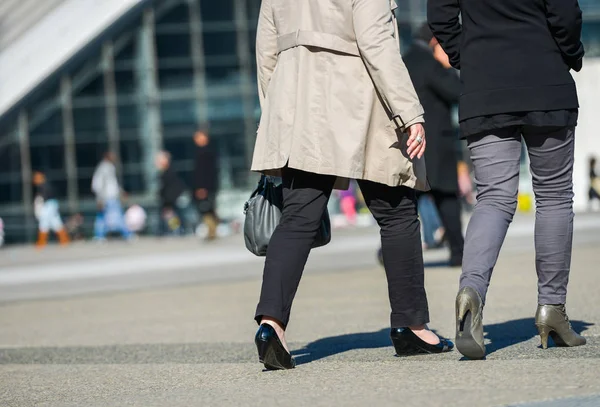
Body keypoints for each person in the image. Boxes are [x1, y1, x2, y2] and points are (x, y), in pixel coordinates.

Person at [251, 0, 453, 370]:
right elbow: (376, 43)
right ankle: (411, 325)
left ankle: (271, 325)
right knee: (397, 213)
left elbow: (266, 50)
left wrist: (277, 111)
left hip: (297, 103)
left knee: (297, 217)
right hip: (357, 102)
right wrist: (409, 112)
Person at [429, 0, 587, 359]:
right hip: (545, 78)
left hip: (485, 87)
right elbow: (565, 14)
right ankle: (552, 309)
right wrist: (570, 51)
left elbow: (439, 16)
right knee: (554, 196)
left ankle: (471, 291)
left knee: (494, 198)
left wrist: (469, 57)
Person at [403, 23, 464, 267]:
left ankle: (390, 253)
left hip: (407, 142)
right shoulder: (431, 63)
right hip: (436, 143)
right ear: (435, 42)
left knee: (405, 202)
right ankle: (458, 251)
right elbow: (457, 91)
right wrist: (448, 66)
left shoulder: (404, 60)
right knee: (447, 198)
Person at [91, 152, 132, 241]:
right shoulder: (104, 168)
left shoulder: (109, 167)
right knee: (117, 215)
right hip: (107, 197)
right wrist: (100, 198)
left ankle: (99, 235)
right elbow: (98, 184)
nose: (115, 158)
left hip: (111, 197)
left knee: (103, 216)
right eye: (113, 156)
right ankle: (127, 234)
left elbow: (113, 183)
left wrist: (121, 192)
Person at [156, 151, 192, 235]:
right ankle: (178, 230)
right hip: (172, 199)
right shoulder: (166, 172)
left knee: (176, 215)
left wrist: (166, 202)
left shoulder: (168, 173)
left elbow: (169, 189)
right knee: (173, 216)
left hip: (175, 198)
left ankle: (180, 230)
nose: (156, 162)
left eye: (158, 160)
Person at [192, 129, 219, 241]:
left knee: (207, 208)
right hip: (208, 186)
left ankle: (212, 231)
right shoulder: (202, 152)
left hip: (206, 186)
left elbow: (204, 173)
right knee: (207, 208)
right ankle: (211, 231)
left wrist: (202, 187)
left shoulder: (205, 153)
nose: (196, 140)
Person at [32, 171, 70, 247]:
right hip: (52, 205)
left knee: (44, 222)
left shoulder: (44, 185)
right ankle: (64, 240)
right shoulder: (44, 185)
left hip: (49, 205)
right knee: (56, 223)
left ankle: (41, 242)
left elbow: (44, 198)